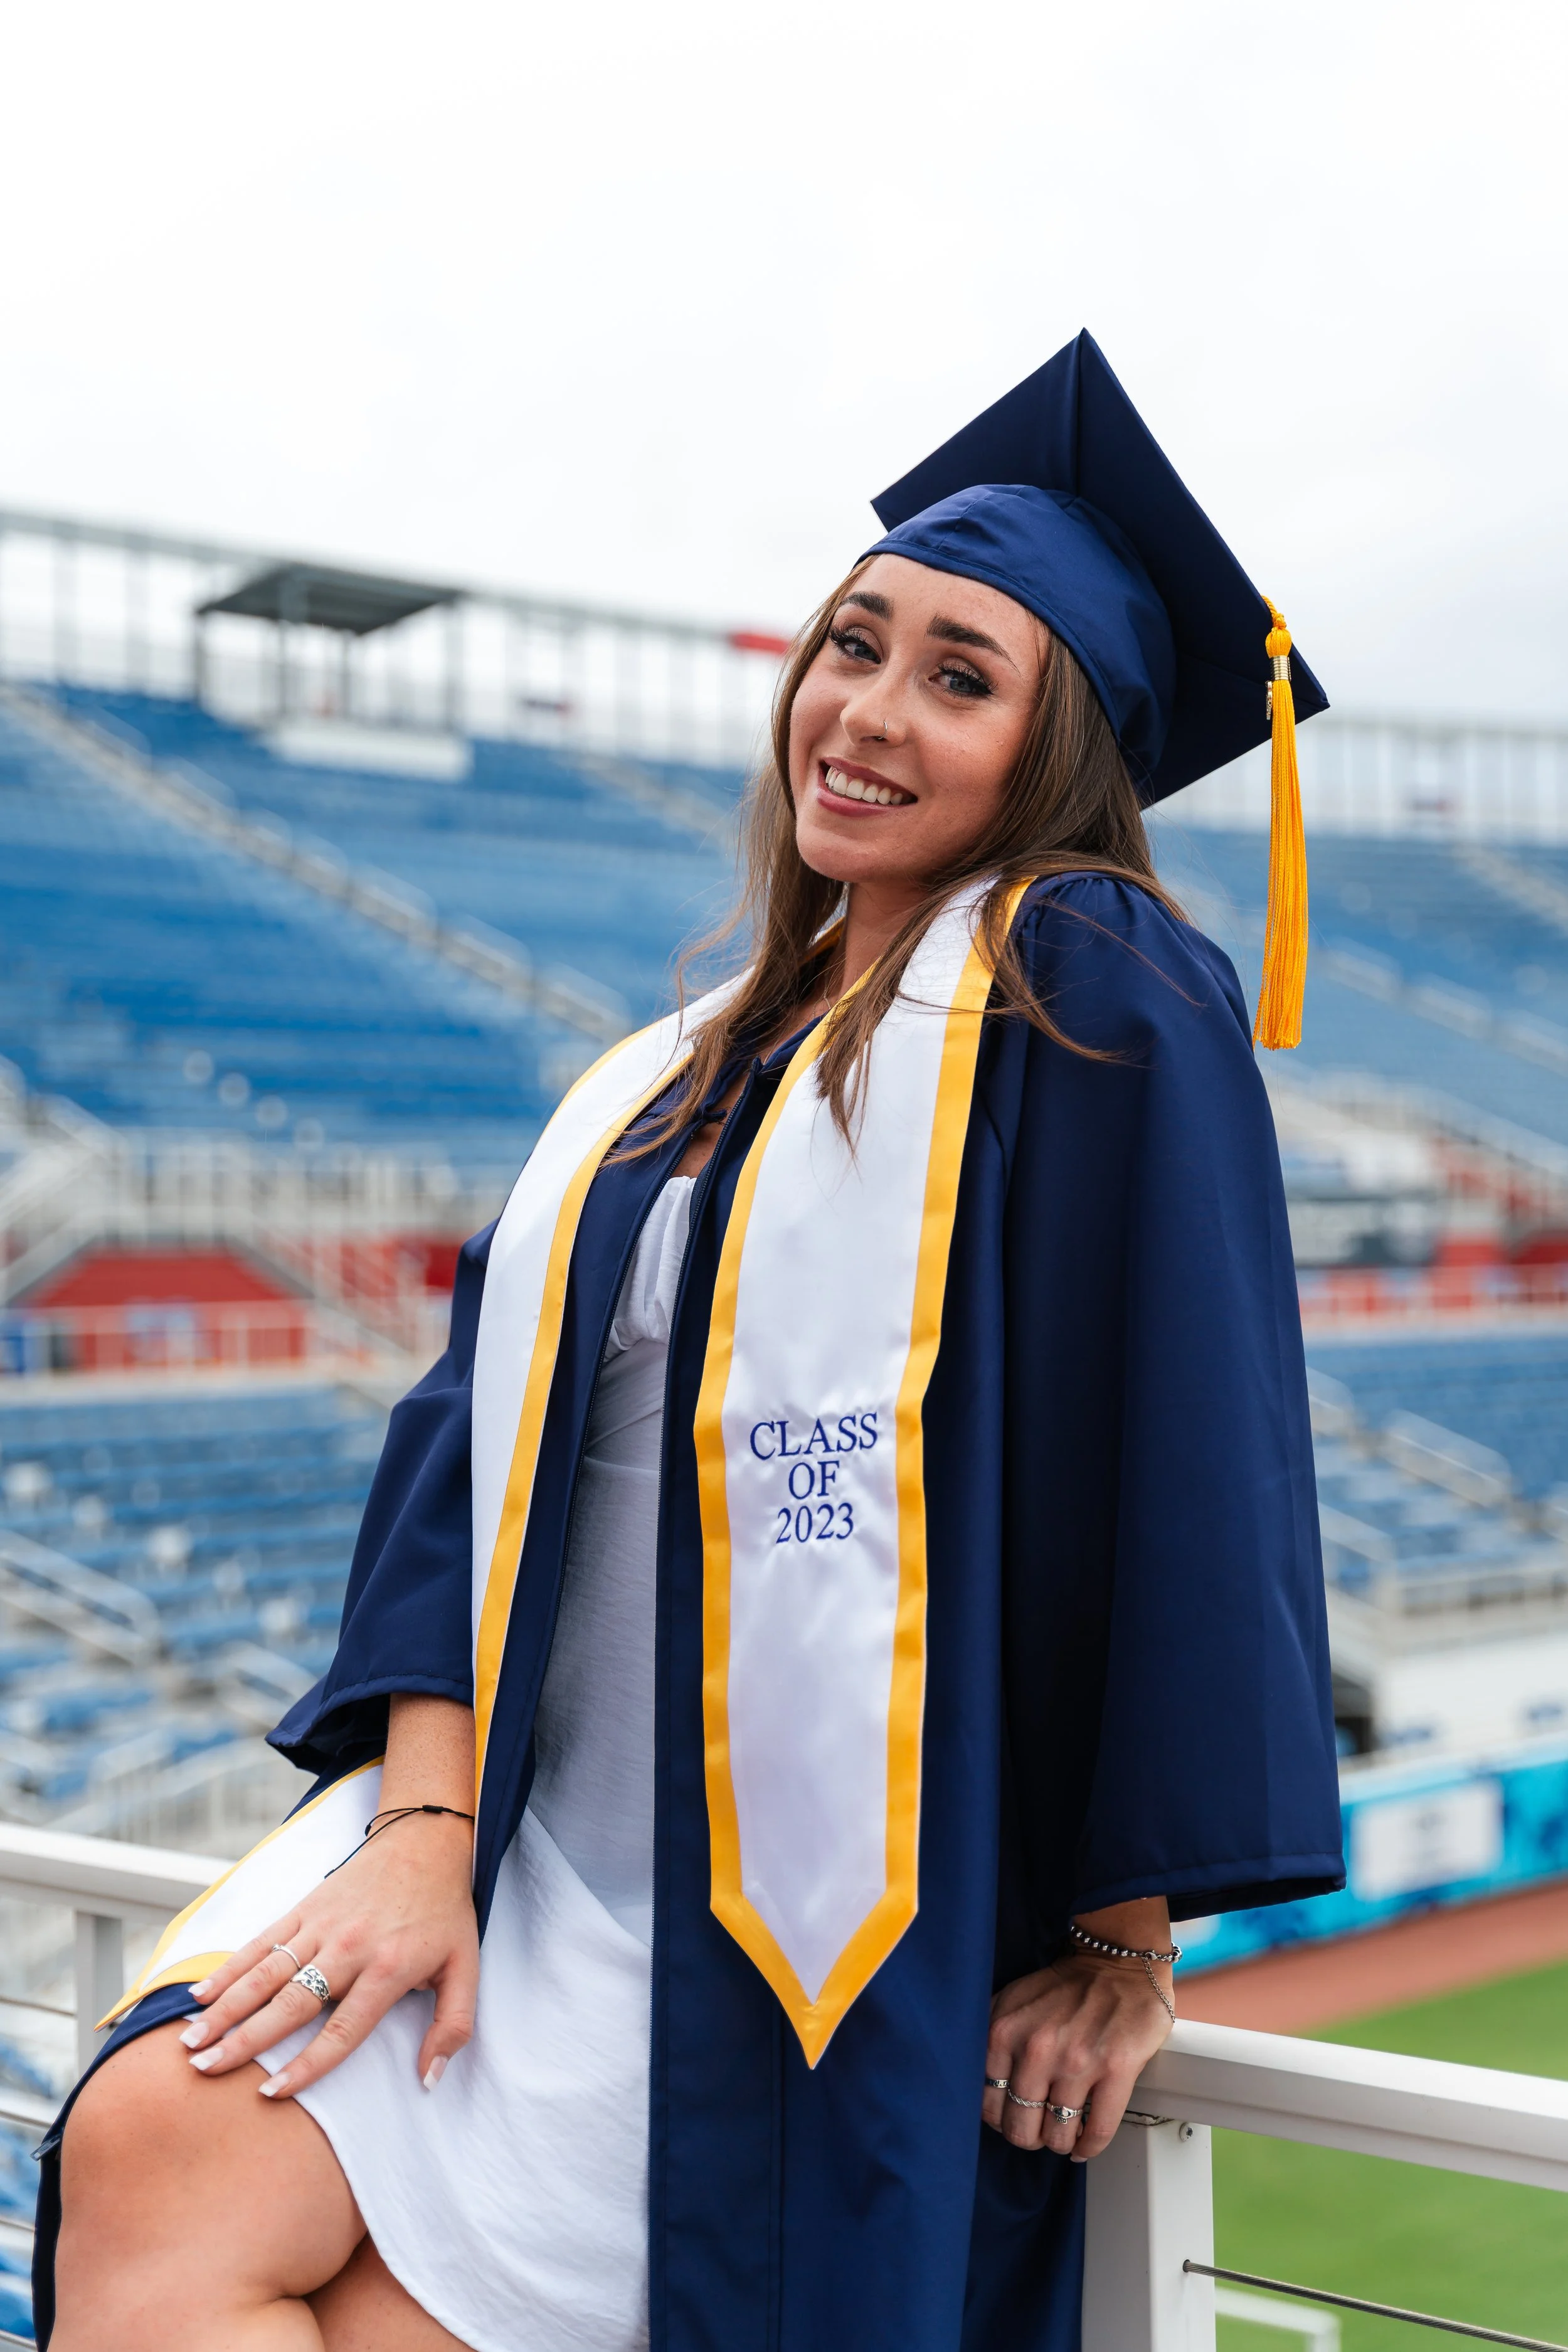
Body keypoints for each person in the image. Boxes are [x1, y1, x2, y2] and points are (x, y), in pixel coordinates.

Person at [38, 331, 1343, 2352]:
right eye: (852, 643)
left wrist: (1126, 1938)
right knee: (152, 2137)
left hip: (805, 1940)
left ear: (1055, 750)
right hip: (542, 1869)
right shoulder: (680, 1066)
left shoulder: (1082, 982)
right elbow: (460, 1447)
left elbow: (1179, 1443)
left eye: (957, 677)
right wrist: (419, 1834)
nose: (867, 713)